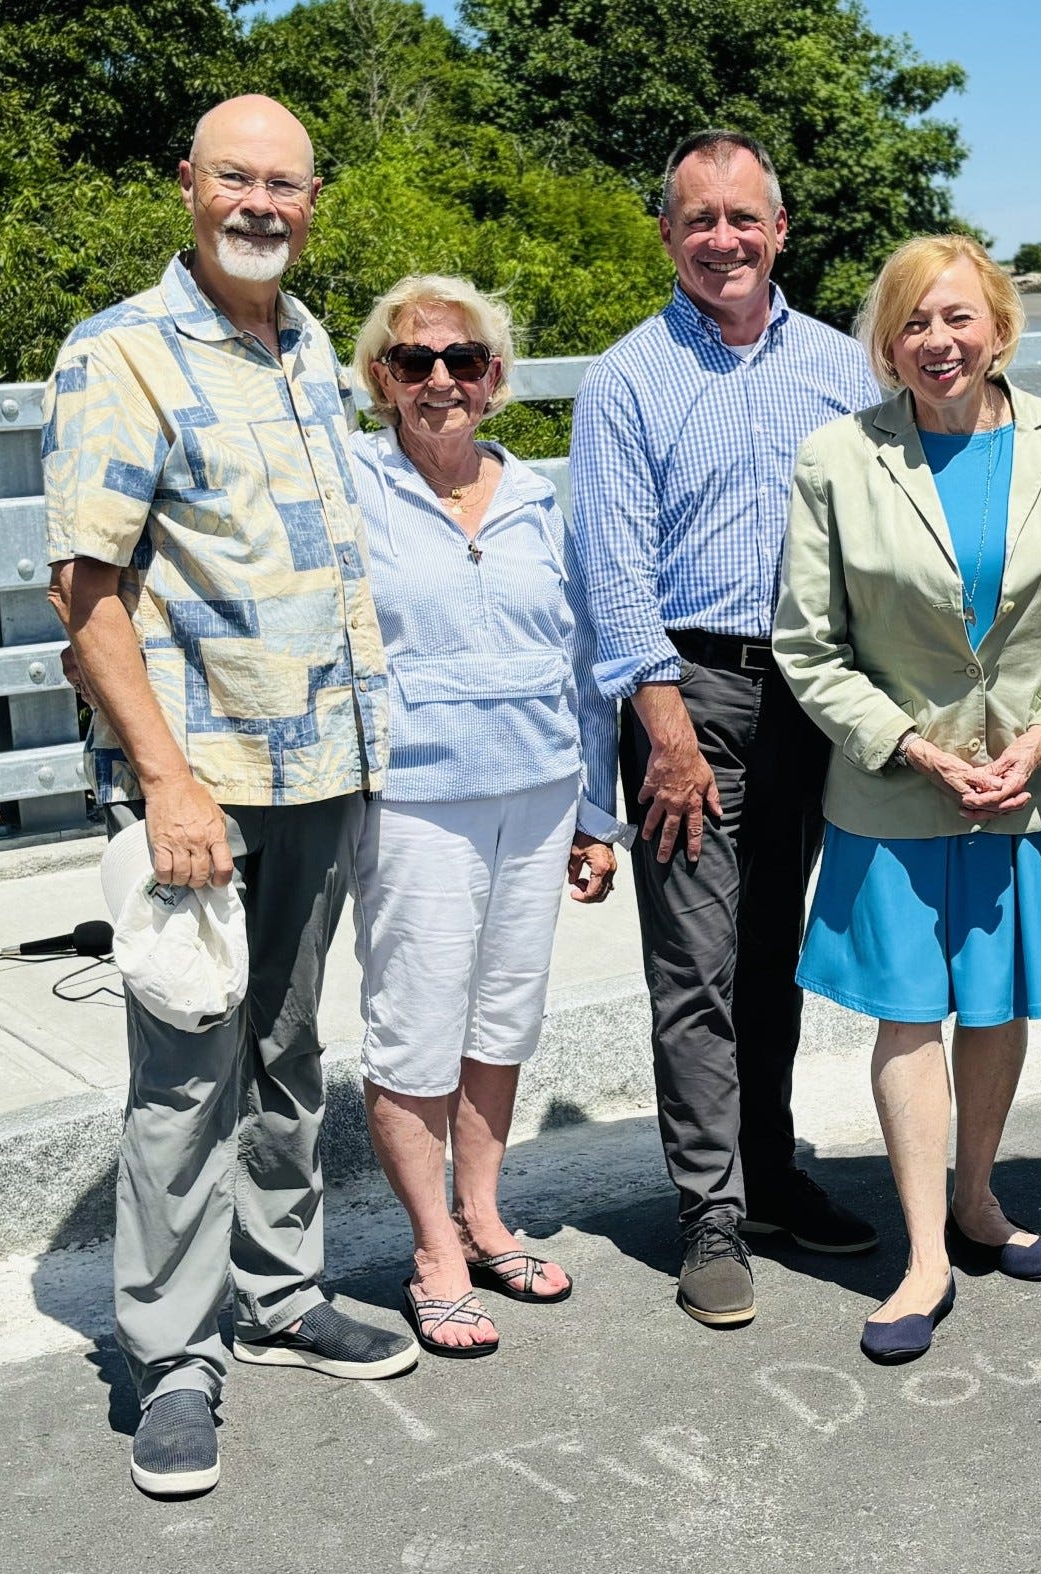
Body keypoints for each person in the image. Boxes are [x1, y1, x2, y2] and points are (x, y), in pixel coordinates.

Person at [44, 95, 416, 1499]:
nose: (263, 203)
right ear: (186, 187)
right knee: (184, 1075)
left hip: (322, 767)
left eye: (287, 184)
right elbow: (86, 593)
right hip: (198, 783)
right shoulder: (123, 352)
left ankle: (278, 1290)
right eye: (236, 179)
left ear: (313, 200)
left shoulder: (312, 342)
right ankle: (173, 1353)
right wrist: (164, 780)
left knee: (284, 1053)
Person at [775, 234, 1041, 1361]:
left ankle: (978, 1193)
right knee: (907, 1010)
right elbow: (809, 644)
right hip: (896, 792)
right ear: (887, 344)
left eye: (958, 319)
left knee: (995, 1003)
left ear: (1000, 328)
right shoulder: (838, 458)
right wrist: (914, 748)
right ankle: (925, 1249)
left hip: (1027, 789)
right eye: (913, 324)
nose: (938, 342)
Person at [569, 129, 883, 1328]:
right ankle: (707, 1204)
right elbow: (613, 569)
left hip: (812, 693)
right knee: (693, 963)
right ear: (667, 234)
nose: (722, 238)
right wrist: (665, 728)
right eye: (698, 218)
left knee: (774, 950)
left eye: (743, 216)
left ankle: (771, 1165)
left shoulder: (843, 367)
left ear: (781, 230)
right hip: (688, 699)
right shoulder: (628, 379)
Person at [347, 275, 630, 1358]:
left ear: (495, 378)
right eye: (414, 361)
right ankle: (434, 1249)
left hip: (540, 791)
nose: (439, 380)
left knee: (504, 1015)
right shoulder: (352, 487)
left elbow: (584, 663)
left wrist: (593, 812)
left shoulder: (538, 496)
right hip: (415, 799)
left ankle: (486, 1209)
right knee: (417, 1022)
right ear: (381, 377)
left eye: (462, 360)